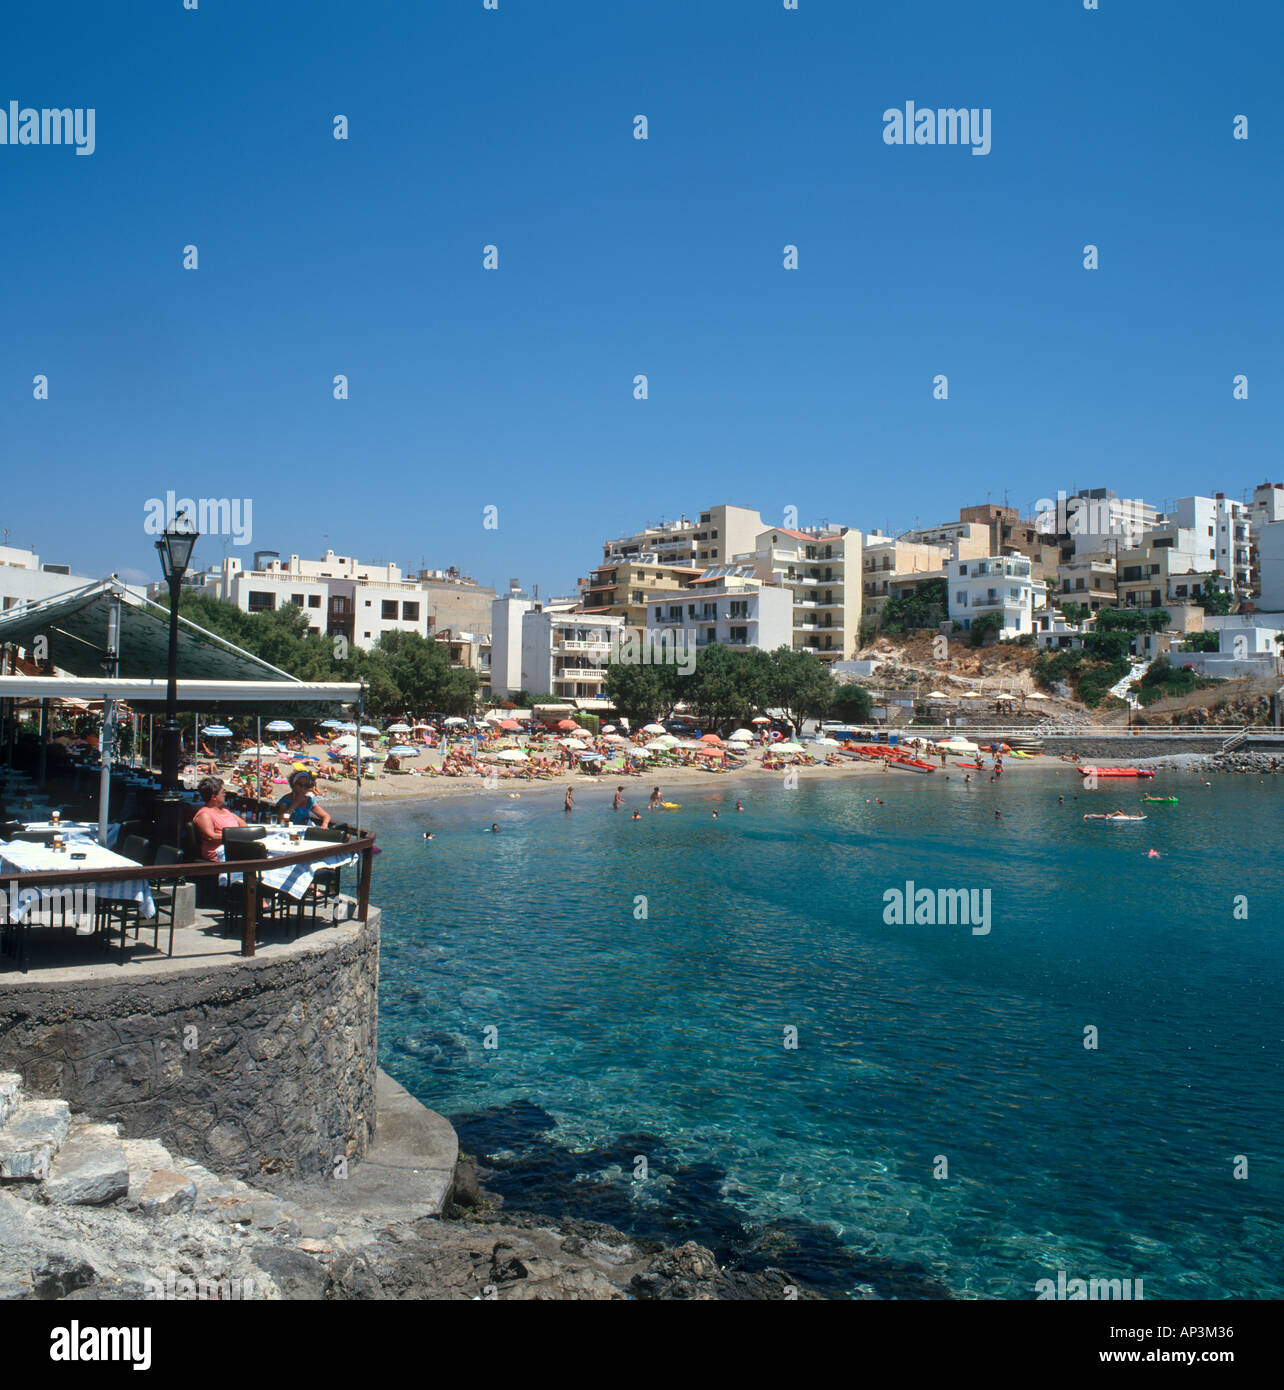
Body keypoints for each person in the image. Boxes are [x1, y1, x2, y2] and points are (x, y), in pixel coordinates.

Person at [191, 776, 247, 862]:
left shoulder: (224, 810)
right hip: (219, 854)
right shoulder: (204, 815)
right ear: (214, 797)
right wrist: (237, 836)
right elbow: (212, 836)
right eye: (222, 792)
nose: (224, 794)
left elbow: (243, 824)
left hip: (234, 848)